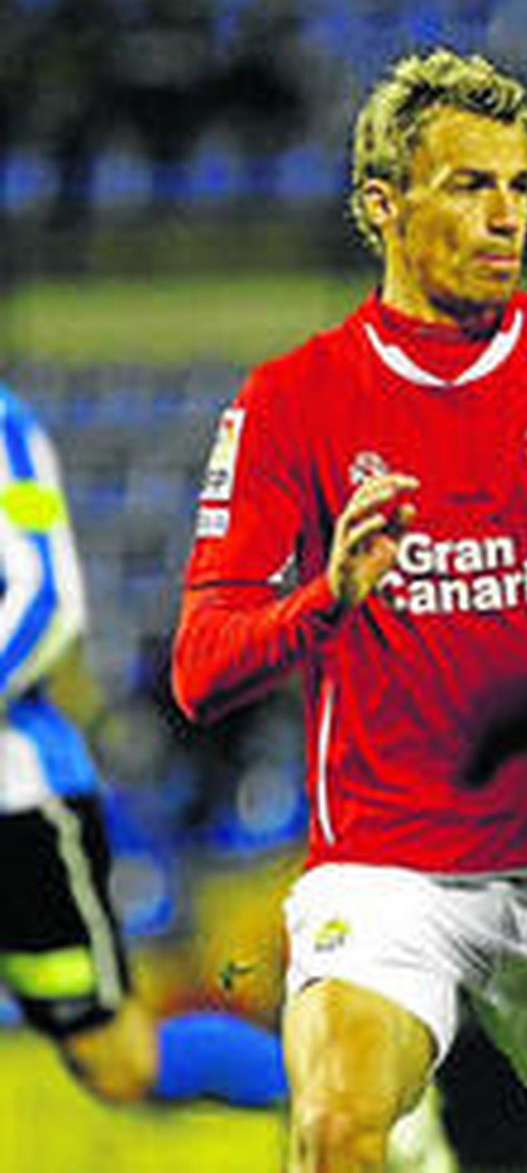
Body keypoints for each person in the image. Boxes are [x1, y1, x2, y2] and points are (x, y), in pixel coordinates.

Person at [170, 49, 527, 1173]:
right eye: (469, 184)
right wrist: (327, 599)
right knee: (337, 1123)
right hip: (397, 876)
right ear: (382, 204)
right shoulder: (295, 400)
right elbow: (201, 668)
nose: (507, 214)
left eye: (521, 185)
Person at [0, 383, 286, 1113]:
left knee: (116, 1058)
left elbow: (43, 600)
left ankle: (356, 1109)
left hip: (17, 799)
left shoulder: (3, 426)